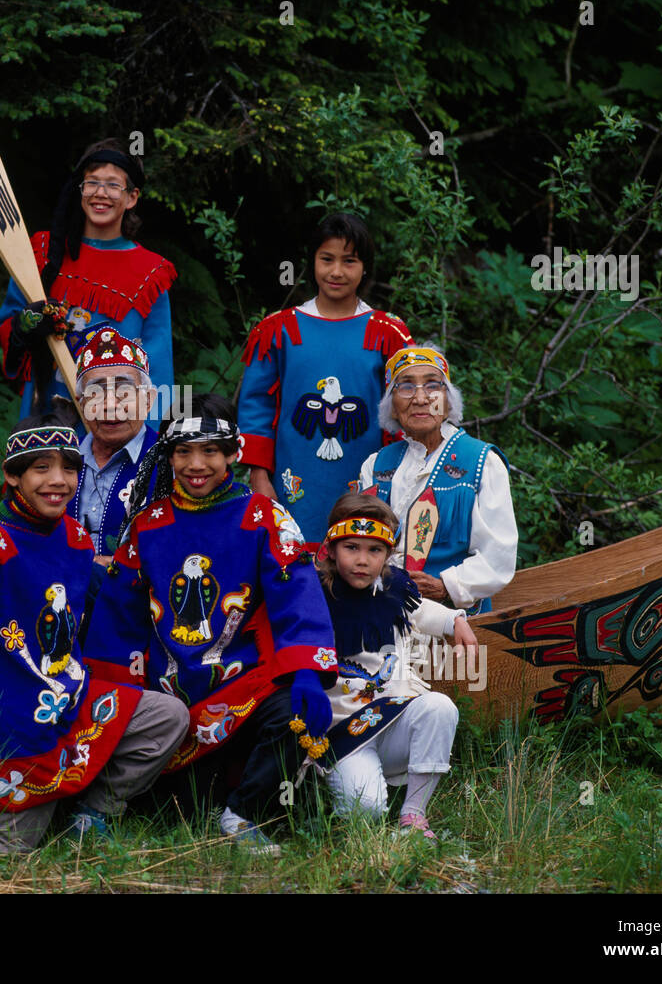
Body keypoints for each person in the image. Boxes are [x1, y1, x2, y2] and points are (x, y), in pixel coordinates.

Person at [0, 415, 188, 852]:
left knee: (169, 718)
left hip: (69, 698)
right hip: (9, 717)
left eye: (69, 468)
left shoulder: (78, 541)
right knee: (5, 849)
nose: (58, 481)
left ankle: (90, 816)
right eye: (41, 468)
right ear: (12, 475)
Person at [85, 394, 336, 855]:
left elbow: (297, 595)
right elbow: (118, 622)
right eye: (184, 451)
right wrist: (113, 697)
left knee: (294, 711)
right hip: (170, 701)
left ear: (233, 455)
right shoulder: (146, 525)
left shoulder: (264, 517)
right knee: (176, 809)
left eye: (210, 451)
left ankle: (242, 818)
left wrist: (306, 671)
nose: (196, 464)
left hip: (243, 687)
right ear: (169, 455)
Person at [238, 212, 414, 543]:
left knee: (359, 565)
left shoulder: (388, 333)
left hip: (370, 485)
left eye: (349, 261)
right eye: (327, 259)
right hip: (291, 482)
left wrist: (395, 482)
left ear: (365, 268)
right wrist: (259, 476)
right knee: (292, 570)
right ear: (312, 262)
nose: (336, 271)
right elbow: (256, 408)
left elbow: (403, 415)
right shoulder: (279, 330)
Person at [314, 493, 475, 839]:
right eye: (351, 548)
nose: (362, 560)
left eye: (374, 550)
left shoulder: (393, 587)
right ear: (330, 548)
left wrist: (456, 620)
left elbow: (423, 610)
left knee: (438, 707)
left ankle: (413, 815)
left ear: (388, 554)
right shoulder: (316, 594)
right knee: (364, 812)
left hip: (396, 715)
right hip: (345, 731)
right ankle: (345, 786)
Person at [0, 138, 177, 414]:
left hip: (116, 423)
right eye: (92, 182)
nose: (100, 193)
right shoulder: (43, 253)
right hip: (46, 416)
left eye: (113, 185)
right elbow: (5, 328)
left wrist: (149, 445)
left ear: (132, 197)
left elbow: (158, 372)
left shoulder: (150, 273)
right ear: (80, 190)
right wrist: (24, 326)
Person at [357, 344, 518, 614]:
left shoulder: (482, 462)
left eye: (433, 385)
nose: (420, 398)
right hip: (379, 616)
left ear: (448, 400)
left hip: (456, 622)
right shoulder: (375, 466)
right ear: (392, 406)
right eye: (406, 386)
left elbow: (498, 556)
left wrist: (449, 585)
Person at [69, 327, 161, 564]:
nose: (110, 405)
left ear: (148, 400)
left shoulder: (171, 460)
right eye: (96, 393)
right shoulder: (60, 459)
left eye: (124, 391)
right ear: (81, 404)